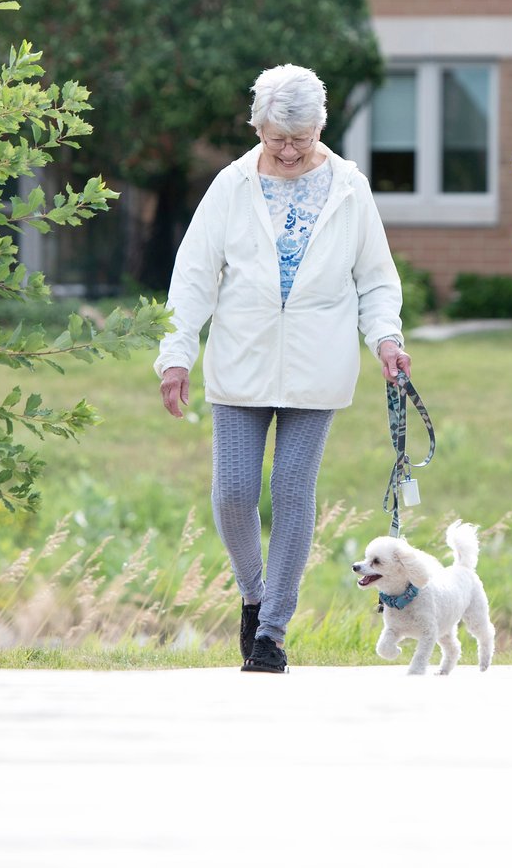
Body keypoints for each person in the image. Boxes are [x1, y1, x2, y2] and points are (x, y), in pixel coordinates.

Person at [155, 64, 409, 673]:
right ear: (257, 129)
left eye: (301, 138)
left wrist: (386, 340)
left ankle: (271, 633)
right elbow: (194, 275)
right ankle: (253, 592)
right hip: (240, 359)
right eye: (277, 139)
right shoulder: (232, 185)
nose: (290, 151)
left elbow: (374, 278)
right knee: (235, 494)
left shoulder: (349, 187)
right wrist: (176, 353)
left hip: (316, 365)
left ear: (322, 126)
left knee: (293, 492)